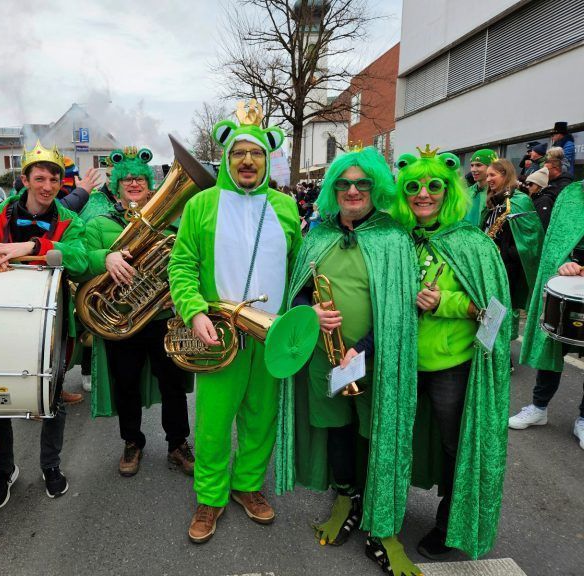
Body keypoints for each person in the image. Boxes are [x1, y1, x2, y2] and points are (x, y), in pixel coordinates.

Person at [277, 146, 419, 576]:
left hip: (377, 359)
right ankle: (346, 497)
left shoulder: (394, 238)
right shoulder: (317, 235)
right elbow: (299, 288)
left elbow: (398, 309)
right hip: (326, 359)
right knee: (337, 427)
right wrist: (310, 312)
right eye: (344, 184)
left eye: (361, 183)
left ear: (376, 188)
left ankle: (381, 519)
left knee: (377, 434)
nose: (353, 190)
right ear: (332, 190)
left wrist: (367, 347)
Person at [169, 100, 302, 543]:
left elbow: (299, 265)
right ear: (226, 158)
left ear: (268, 159)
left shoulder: (285, 208)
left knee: (261, 417)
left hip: (271, 336)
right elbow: (182, 265)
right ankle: (210, 496)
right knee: (212, 422)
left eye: (257, 154)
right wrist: (194, 310)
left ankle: (247, 487)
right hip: (218, 333)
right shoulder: (202, 205)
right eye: (239, 154)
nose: (247, 161)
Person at [390, 147, 511, 561]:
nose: (424, 194)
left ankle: (448, 525)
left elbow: (492, 308)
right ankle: (384, 510)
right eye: (414, 187)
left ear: (449, 191)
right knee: (392, 438)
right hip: (401, 361)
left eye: (434, 186)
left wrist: (446, 301)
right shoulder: (398, 240)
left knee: (454, 447)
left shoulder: (471, 243)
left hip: (450, 367)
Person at [0, 141, 89, 509]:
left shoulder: (70, 220)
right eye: (40, 178)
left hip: (50, 321)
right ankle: (5, 471)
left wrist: (32, 245)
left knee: (52, 397)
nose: (48, 186)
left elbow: (81, 258)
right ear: (25, 179)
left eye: (55, 179)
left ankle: (50, 467)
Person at [82, 146, 194, 477]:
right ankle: (132, 441)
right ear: (116, 186)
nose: (133, 184)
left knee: (173, 382)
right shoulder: (99, 223)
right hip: (122, 318)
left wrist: (178, 291)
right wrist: (106, 257)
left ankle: (178, 443)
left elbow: (186, 259)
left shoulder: (171, 221)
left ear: (150, 185)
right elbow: (81, 259)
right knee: (126, 383)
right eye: (127, 179)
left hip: (162, 316)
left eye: (140, 179)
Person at [511, 178, 584, 450]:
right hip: (567, 285)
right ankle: (539, 407)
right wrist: (564, 264)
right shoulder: (572, 194)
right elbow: (555, 243)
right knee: (551, 344)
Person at [481, 158, 543, 339]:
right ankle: (488, 347)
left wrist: (505, 253)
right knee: (489, 308)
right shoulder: (494, 201)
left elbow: (532, 239)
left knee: (502, 310)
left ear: (505, 175)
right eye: (487, 176)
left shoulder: (519, 201)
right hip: (490, 266)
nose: (488, 179)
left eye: (492, 175)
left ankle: (502, 356)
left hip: (507, 269)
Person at [463, 149, 496, 226]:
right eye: (472, 165)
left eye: (478, 165)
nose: (473, 170)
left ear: (491, 167)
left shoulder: (498, 194)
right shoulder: (466, 192)